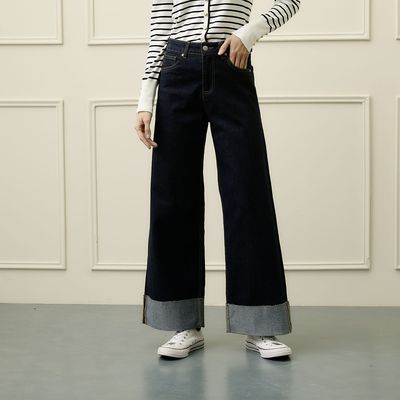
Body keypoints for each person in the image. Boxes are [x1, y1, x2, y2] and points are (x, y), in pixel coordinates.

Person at [134, 0, 301, 359]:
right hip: (177, 68)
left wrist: (248, 33)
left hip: (231, 66)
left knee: (248, 196)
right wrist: (145, 100)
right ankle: (183, 324)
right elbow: (160, 29)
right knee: (173, 198)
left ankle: (259, 323)